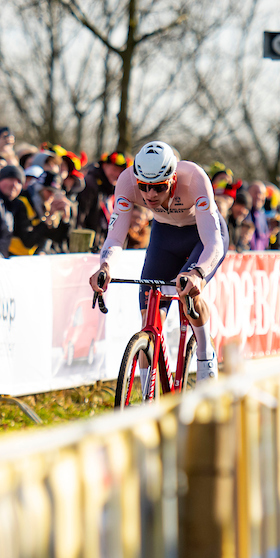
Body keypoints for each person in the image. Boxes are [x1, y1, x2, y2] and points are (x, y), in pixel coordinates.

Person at [89, 140, 229, 381]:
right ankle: (148, 394)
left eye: (159, 187)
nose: (150, 194)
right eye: (143, 187)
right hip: (164, 237)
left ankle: (206, 356)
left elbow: (213, 243)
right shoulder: (126, 181)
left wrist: (198, 273)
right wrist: (105, 266)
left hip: (201, 236)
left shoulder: (194, 177)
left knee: (190, 293)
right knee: (149, 322)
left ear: (173, 180)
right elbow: (115, 237)